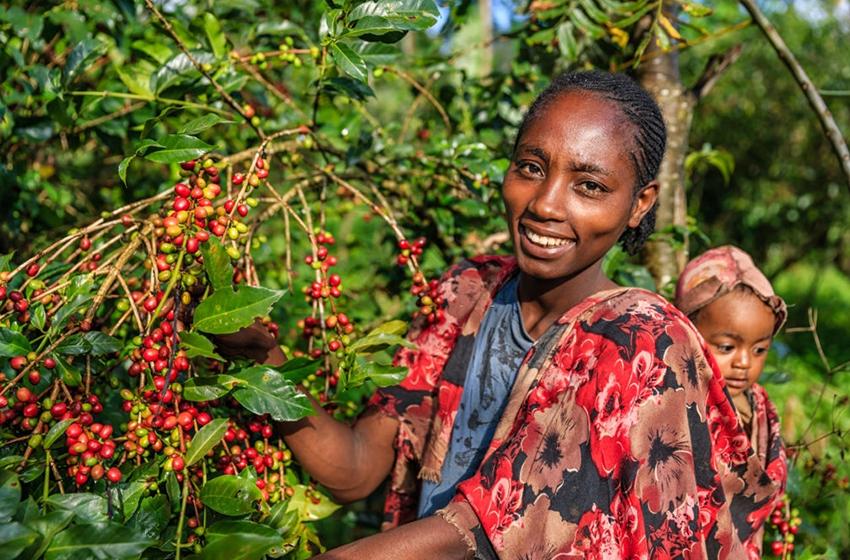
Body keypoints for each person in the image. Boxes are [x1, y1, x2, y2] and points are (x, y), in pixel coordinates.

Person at [227, 71, 779, 558]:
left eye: (589, 185)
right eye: (531, 167)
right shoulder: (466, 295)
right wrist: (265, 364)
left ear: (639, 203)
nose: (545, 203)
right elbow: (354, 469)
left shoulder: (641, 343)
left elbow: (481, 534)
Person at [675, 245, 788, 557]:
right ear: (688, 334)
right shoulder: (672, 408)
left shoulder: (762, 412)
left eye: (759, 350)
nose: (744, 363)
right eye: (726, 347)